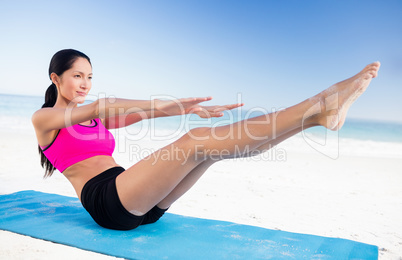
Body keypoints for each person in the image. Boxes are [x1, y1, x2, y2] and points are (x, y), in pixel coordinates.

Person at [31, 49, 380, 230]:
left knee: (210, 149)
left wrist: (186, 108)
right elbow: (105, 104)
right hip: (107, 203)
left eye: (89, 76)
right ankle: (319, 101)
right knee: (195, 142)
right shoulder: (44, 119)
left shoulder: (91, 117)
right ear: (55, 78)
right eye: (77, 75)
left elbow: (146, 114)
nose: (85, 83)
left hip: (140, 204)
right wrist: (163, 106)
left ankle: (315, 118)